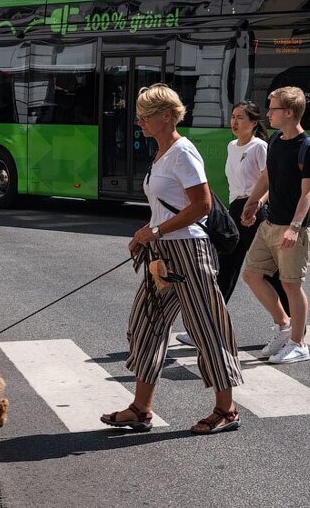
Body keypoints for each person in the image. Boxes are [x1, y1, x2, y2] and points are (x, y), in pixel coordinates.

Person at [101, 83, 243, 435]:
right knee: (146, 325)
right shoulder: (161, 153)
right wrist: (143, 234)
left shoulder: (183, 152)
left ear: (166, 116)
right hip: (163, 252)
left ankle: (226, 409)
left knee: (206, 327)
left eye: (145, 116)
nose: (139, 122)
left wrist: (157, 232)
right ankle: (141, 408)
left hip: (190, 251)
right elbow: (164, 206)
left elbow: (202, 205)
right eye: (138, 116)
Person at [174, 101, 287, 347]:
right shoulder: (231, 146)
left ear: (254, 123)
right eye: (233, 117)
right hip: (236, 208)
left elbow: (269, 181)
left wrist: (256, 205)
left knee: (267, 271)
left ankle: (288, 326)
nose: (234, 122)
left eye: (241, 118)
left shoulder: (260, 147)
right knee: (225, 268)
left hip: (255, 210)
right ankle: (207, 326)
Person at [241, 86, 310, 365]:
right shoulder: (275, 140)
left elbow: (308, 192)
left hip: (291, 227)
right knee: (251, 274)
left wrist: (295, 227)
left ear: (289, 112)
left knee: (291, 284)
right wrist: (253, 203)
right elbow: (267, 176)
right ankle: (284, 325)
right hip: (270, 222)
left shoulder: (308, 148)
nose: (268, 114)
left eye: (272, 109)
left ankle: (299, 344)